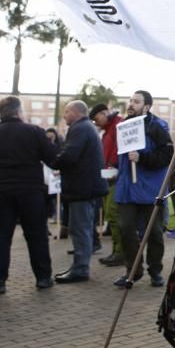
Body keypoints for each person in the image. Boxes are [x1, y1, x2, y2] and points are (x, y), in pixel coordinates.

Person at [0, 96, 58, 293]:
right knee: (37, 235)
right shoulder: (34, 132)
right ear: (19, 111)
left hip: (0, 192)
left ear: (0, 113)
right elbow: (52, 158)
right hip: (30, 191)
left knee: (1, 236)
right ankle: (43, 277)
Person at [112, 91, 172, 288]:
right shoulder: (124, 127)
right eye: (130, 100)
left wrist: (142, 158)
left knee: (154, 232)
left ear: (146, 106)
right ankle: (133, 271)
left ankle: (155, 270)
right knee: (125, 228)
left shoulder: (157, 127)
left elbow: (166, 155)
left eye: (136, 102)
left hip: (150, 189)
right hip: (128, 189)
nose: (131, 104)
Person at [50, 100, 108, 283]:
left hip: (82, 188)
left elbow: (70, 154)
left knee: (80, 229)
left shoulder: (80, 129)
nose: (64, 115)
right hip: (86, 187)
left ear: (76, 112)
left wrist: (54, 161)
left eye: (66, 112)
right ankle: (79, 267)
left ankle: (80, 269)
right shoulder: (86, 128)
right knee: (83, 228)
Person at [90, 103, 125, 267]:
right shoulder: (110, 128)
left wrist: (113, 164)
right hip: (110, 175)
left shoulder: (118, 126)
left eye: (97, 119)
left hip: (116, 177)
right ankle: (116, 251)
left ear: (104, 113)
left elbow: (119, 149)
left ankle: (120, 252)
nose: (96, 123)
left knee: (113, 214)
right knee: (111, 216)